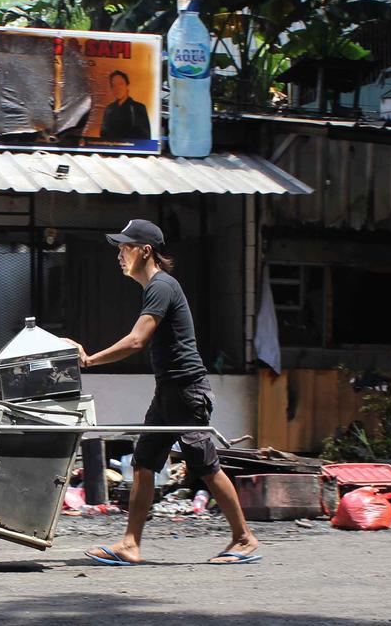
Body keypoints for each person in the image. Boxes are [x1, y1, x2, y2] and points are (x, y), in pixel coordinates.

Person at [70, 219, 260, 566]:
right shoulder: (155, 287)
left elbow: (137, 340)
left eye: (125, 247)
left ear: (146, 251)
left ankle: (244, 538)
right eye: (118, 248)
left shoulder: (161, 286)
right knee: (144, 463)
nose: (119, 255)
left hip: (187, 391)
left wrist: (90, 360)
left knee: (206, 466)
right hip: (169, 392)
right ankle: (130, 544)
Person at [99, 70, 151, 141]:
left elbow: (145, 137)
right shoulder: (109, 109)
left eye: (120, 84)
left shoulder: (139, 107)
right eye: (113, 85)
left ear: (127, 86)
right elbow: (103, 135)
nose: (117, 88)